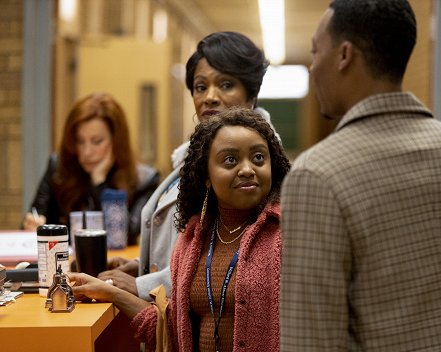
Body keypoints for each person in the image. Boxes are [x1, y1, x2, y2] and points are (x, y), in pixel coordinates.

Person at [280, 0, 441, 350]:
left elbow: (312, 340)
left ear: (344, 55)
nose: (311, 67)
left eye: (315, 51)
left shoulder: (317, 175)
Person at [69, 107, 291, 351]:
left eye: (258, 157)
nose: (248, 169)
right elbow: (173, 331)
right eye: (230, 160)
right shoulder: (193, 239)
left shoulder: (286, 235)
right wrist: (111, 293)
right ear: (206, 175)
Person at [100, 31, 279, 300]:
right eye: (200, 86)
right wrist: (144, 266)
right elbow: (193, 243)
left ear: (251, 93)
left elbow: (230, 259)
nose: (210, 97)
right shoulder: (193, 158)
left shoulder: (257, 170)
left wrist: (142, 285)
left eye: (226, 85)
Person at [23, 93, 160, 245]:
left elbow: (127, 235)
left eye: (97, 141)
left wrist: (99, 183)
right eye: (80, 141)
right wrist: (31, 226)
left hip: (117, 265)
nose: (87, 152)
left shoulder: (144, 179)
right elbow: (34, 218)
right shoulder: (58, 167)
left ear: (116, 141)